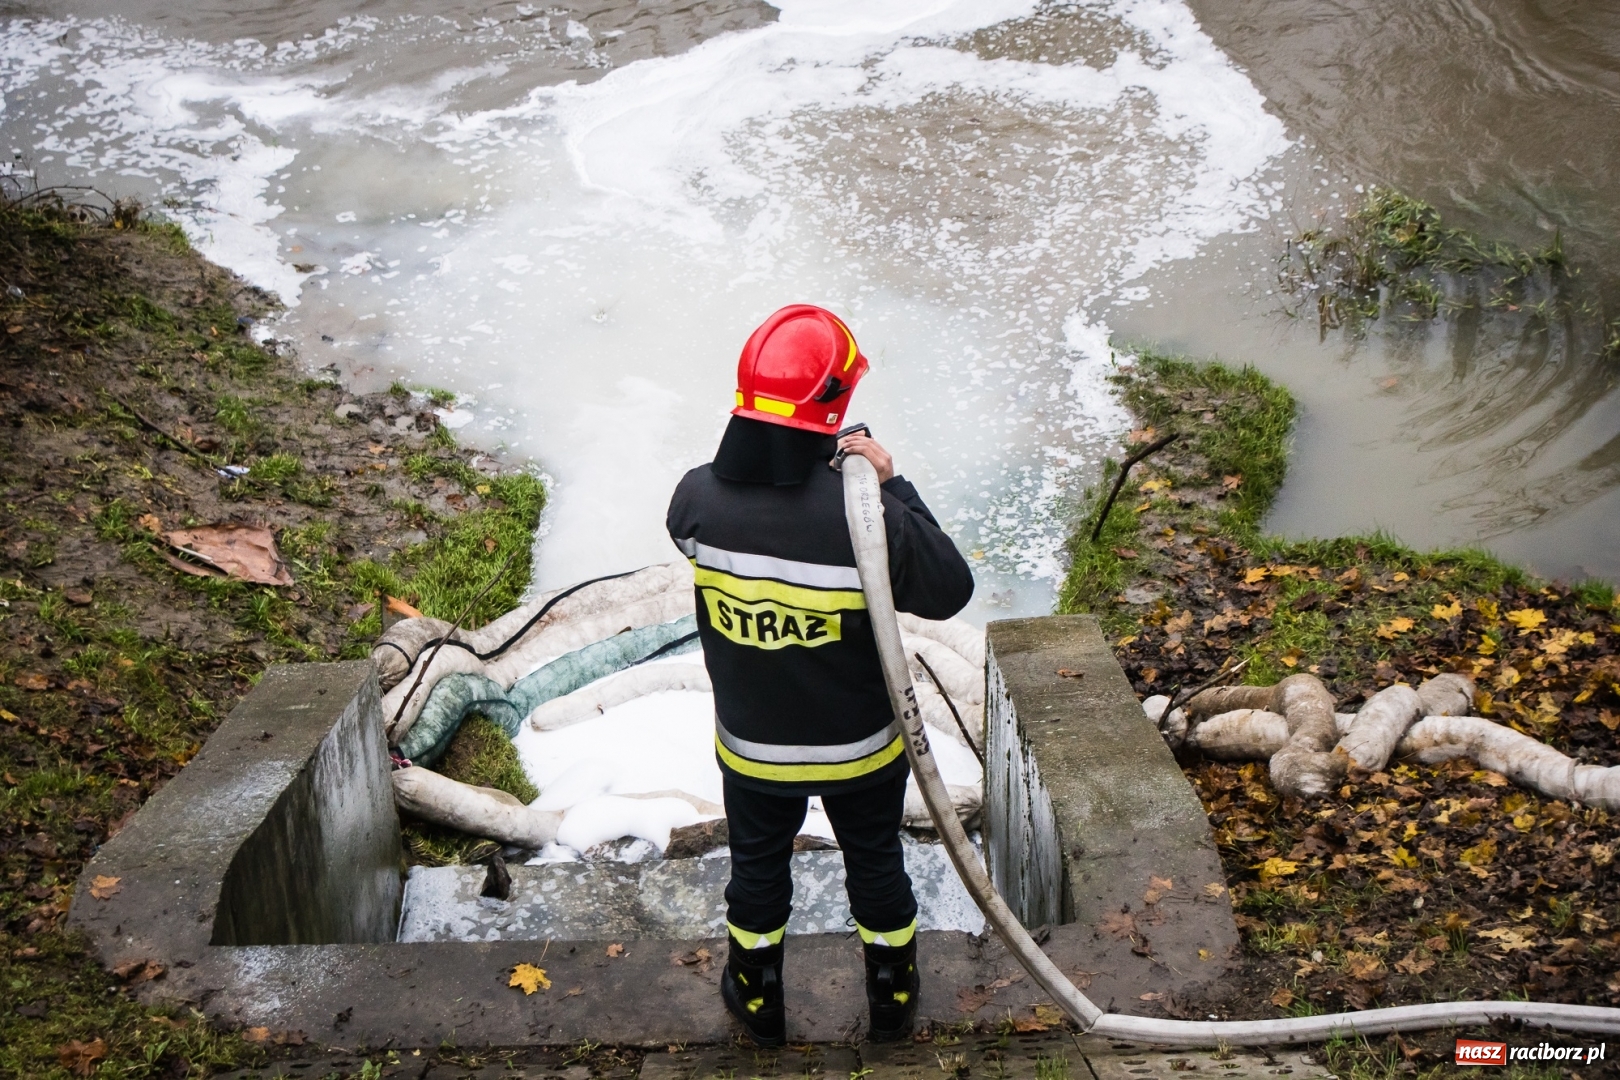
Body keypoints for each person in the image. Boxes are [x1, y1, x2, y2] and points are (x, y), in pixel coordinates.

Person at [665, 304, 974, 1046]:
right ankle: (893, 995)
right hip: (860, 747)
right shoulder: (865, 517)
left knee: (758, 867)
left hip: (754, 748)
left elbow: (703, 536)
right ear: (833, 407)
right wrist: (888, 484)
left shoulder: (694, 501)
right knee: (875, 861)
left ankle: (757, 993)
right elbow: (949, 588)